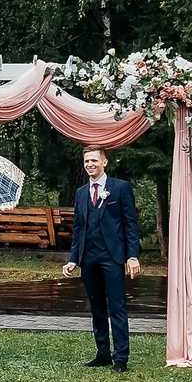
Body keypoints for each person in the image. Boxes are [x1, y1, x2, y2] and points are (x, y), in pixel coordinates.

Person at [61, 146, 142, 370]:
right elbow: (78, 228)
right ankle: (103, 353)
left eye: (94, 160)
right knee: (96, 307)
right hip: (89, 257)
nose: (90, 165)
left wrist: (132, 255)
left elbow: (130, 225)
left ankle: (121, 358)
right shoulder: (80, 193)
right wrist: (73, 259)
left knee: (117, 307)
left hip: (113, 256)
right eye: (87, 161)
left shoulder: (120, 188)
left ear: (104, 162)